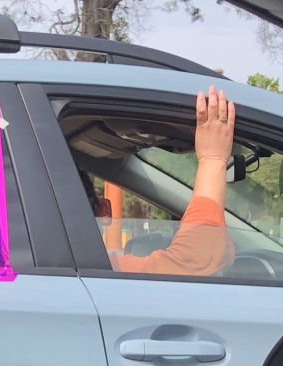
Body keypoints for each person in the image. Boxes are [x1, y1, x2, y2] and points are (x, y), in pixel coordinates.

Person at [83, 85, 236, 276]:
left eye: (100, 209)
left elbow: (215, 252)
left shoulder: (65, 271)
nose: (103, 217)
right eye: (98, 209)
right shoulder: (90, 272)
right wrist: (213, 159)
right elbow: (197, 258)